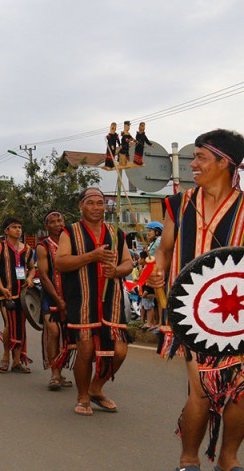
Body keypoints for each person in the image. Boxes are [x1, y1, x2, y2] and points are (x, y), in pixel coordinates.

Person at [148, 129, 244, 469]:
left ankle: (227, 459)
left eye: (201, 157)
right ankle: (189, 460)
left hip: (237, 320)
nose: (194, 164)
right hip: (191, 318)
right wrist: (159, 270)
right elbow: (164, 250)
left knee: (240, 393)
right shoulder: (178, 204)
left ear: (225, 163)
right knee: (202, 389)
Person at [55, 187, 132, 417]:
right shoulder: (70, 232)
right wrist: (93, 256)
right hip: (83, 299)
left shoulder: (115, 232)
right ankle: (83, 396)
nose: (97, 208)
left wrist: (117, 270)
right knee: (86, 349)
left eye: (100, 203)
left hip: (112, 299)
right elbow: (60, 263)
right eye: (91, 203)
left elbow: (128, 262)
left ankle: (96, 387)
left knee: (120, 351)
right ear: (81, 206)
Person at [0, 218, 35, 373]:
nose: (18, 230)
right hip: (6, 294)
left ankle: (17, 361)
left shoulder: (27, 249)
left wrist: (29, 278)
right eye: (14, 227)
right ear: (6, 230)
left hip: (22, 294)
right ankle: (5, 357)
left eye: (19, 227)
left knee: (20, 326)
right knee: (9, 324)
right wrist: (1, 287)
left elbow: (32, 268)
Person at [36, 211, 74, 390]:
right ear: (47, 226)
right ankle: (55, 374)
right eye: (53, 221)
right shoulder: (43, 246)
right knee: (53, 331)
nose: (58, 223)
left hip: (71, 295)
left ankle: (62, 370)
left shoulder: (72, 243)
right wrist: (58, 299)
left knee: (68, 334)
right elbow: (43, 275)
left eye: (60, 220)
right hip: (50, 296)